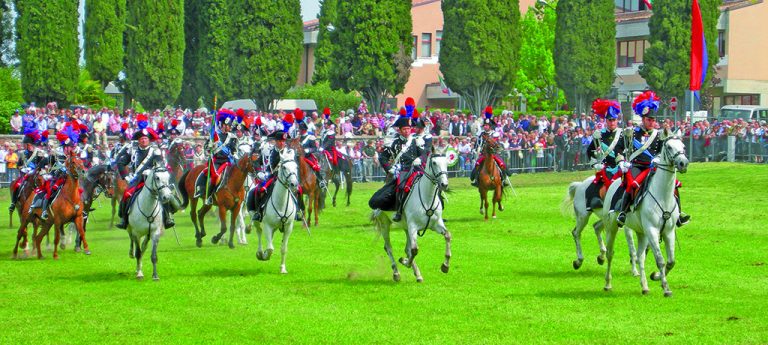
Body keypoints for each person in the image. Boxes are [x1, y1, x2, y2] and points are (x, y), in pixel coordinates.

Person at [616, 91, 689, 227]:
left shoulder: (658, 135)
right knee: (632, 184)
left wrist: (658, 158)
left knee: (674, 184)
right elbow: (619, 148)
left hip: (654, 167)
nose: (651, 122)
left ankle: (678, 215)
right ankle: (623, 212)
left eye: (653, 120)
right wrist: (621, 161)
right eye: (649, 119)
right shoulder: (632, 132)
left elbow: (664, 151)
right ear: (643, 119)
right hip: (637, 166)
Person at [115, 117, 174, 229]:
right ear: (138, 140)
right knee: (126, 195)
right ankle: (123, 219)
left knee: (164, 193)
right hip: (136, 180)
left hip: (152, 180)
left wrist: (152, 171)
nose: (143, 140)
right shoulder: (132, 151)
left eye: (145, 139)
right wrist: (127, 177)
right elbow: (121, 163)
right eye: (141, 139)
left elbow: (160, 164)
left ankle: (168, 217)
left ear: (149, 140)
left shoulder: (155, 151)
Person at [584, 99, 625, 211]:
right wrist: (595, 161)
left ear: (617, 120)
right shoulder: (599, 135)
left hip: (621, 166)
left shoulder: (623, 134)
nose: (612, 123)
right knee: (594, 185)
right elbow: (589, 151)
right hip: (605, 166)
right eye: (610, 120)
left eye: (614, 120)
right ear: (606, 121)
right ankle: (592, 201)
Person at [200, 109, 238, 206]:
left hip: (229, 162)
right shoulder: (214, 135)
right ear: (223, 125)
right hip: (217, 161)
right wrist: (209, 148)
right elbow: (206, 149)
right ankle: (209, 196)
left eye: (230, 125)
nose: (230, 127)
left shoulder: (233, 137)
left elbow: (235, 150)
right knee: (216, 176)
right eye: (228, 125)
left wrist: (233, 156)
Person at [469, 106, 510, 187]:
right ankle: (476, 179)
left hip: (493, 154)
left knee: (502, 164)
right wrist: (475, 149)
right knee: (477, 164)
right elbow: (478, 144)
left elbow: (497, 144)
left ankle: (503, 179)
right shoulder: (480, 134)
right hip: (483, 154)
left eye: (487, 125)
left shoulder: (495, 134)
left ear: (490, 126)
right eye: (484, 125)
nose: (485, 126)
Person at [295, 108, 326, 189]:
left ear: (303, 130)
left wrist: (308, 150)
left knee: (315, 166)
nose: (299, 131)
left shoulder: (311, 137)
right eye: (299, 129)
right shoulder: (298, 138)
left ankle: (321, 180)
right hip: (299, 157)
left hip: (308, 156)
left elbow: (315, 148)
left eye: (300, 129)